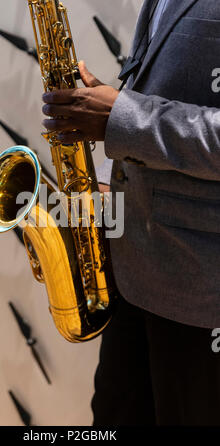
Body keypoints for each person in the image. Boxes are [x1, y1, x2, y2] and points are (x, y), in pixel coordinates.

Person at [42, 0, 220, 425]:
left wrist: (121, 120)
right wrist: (105, 178)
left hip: (201, 302)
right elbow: (158, 90)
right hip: (135, 277)